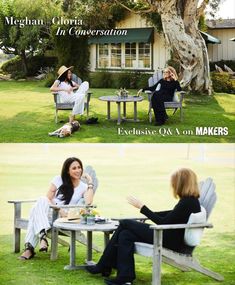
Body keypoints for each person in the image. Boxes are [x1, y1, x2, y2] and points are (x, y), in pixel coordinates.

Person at [85, 168, 201, 285]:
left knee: (125, 223)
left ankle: (103, 265)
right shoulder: (189, 201)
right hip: (166, 236)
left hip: (167, 240)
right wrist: (147, 212)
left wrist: (142, 207)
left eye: (174, 182)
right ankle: (125, 277)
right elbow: (169, 215)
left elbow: (163, 222)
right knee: (126, 235)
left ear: (181, 183)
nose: (172, 185)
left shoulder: (187, 202)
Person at [18, 157, 94, 260]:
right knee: (42, 200)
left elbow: (89, 202)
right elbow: (48, 198)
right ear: (67, 171)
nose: (78, 170)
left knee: (36, 210)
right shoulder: (58, 179)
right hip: (50, 211)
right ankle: (42, 236)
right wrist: (59, 209)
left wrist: (90, 181)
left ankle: (31, 248)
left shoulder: (83, 187)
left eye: (79, 167)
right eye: (74, 168)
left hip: (62, 217)